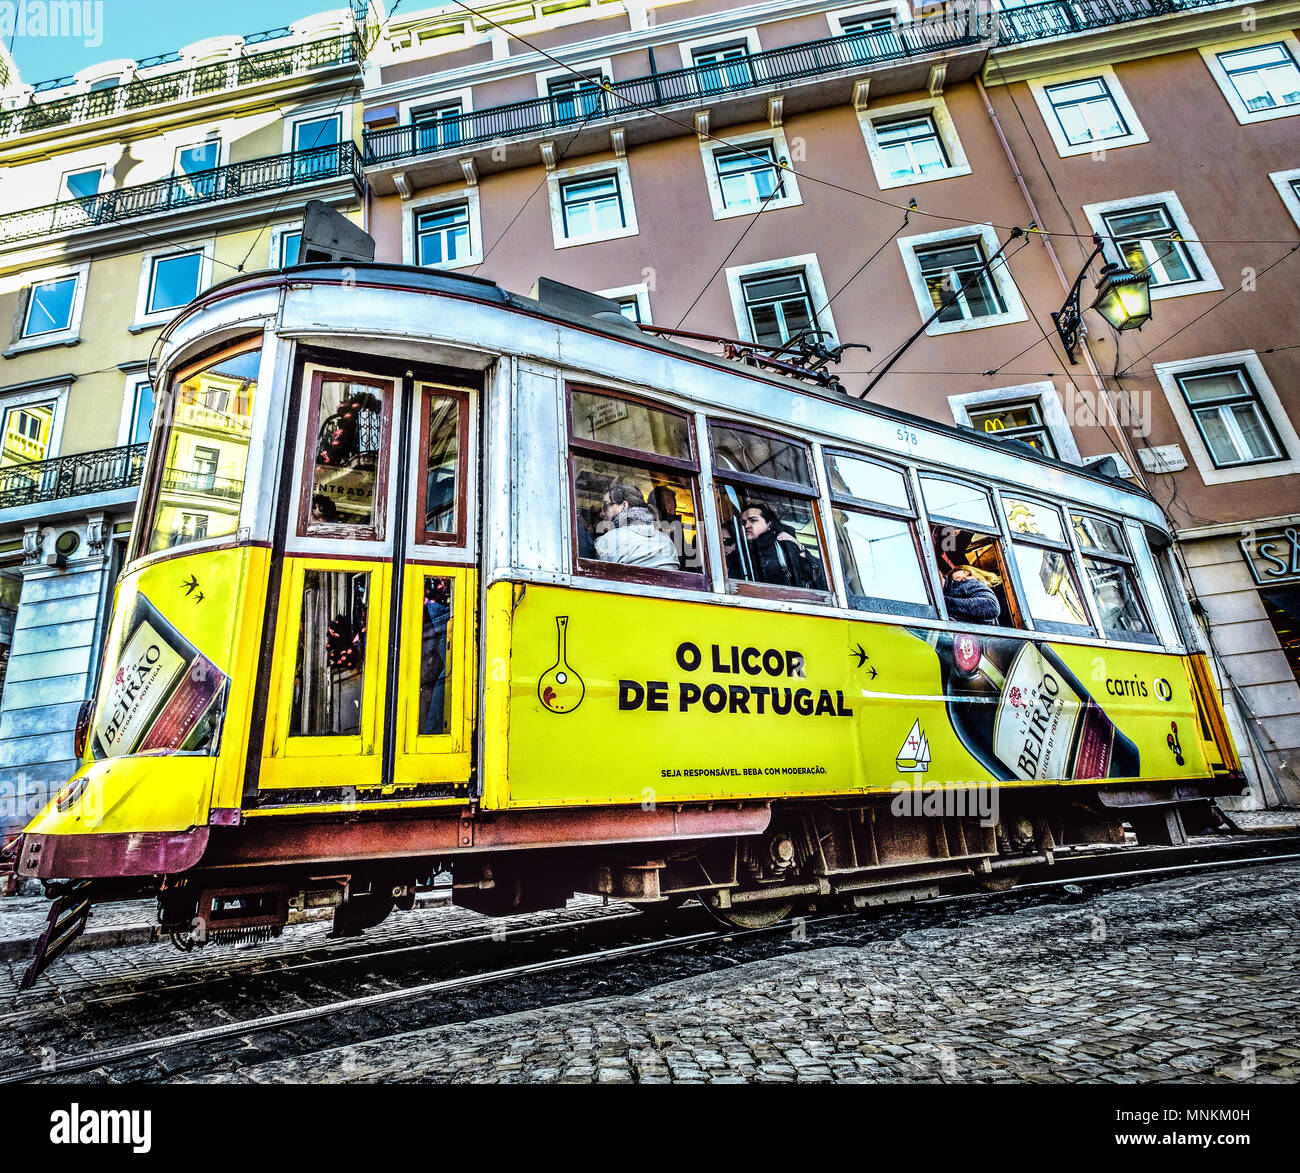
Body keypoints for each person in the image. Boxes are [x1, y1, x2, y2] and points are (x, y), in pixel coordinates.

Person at [739, 502, 826, 590]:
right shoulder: (738, 550)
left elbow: (821, 575)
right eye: (743, 522)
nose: (746, 526)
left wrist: (800, 550)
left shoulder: (784, 543)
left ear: (769, 524)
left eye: (753, 520)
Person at [595, 483, 680, 570]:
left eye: (606, 505)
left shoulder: (607, 541)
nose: (602, 513)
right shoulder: (666, 540)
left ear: (624, 505)